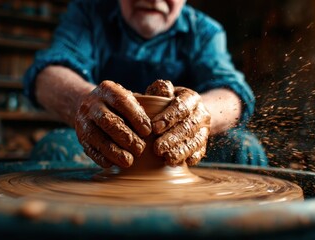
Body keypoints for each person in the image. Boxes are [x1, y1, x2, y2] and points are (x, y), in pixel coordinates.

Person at [23, 0, 268, 168]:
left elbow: (233, 93)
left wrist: (199, 115)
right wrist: (84, 102)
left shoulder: (204, 31)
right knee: (55, 148)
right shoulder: (88, 13)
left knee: (244, 148)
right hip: (104, 153)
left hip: (179, 158)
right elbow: (48, 72)